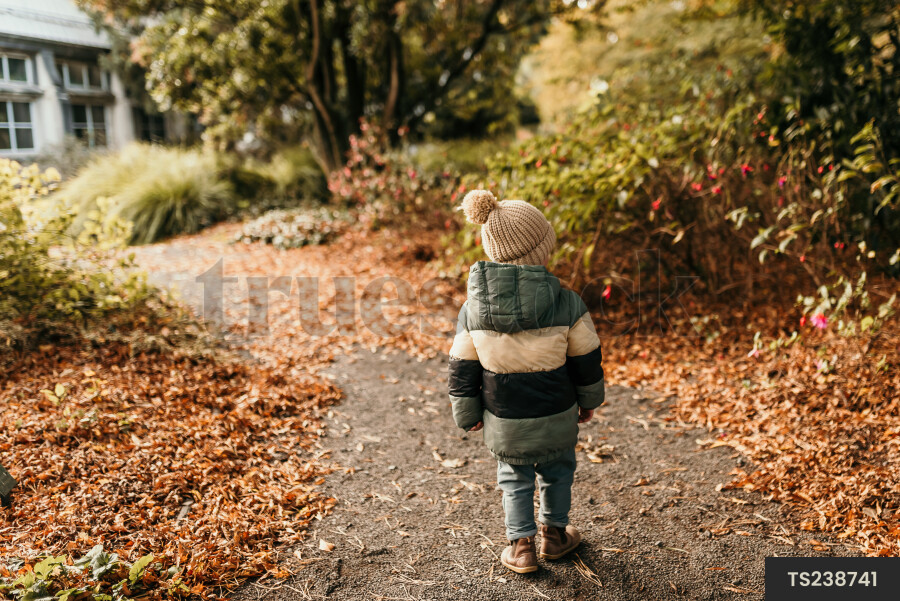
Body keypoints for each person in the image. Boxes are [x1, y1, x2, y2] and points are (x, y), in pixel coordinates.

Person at [447, 189, 606, 574]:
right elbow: (586, 358)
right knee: (558, 470)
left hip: (504, 417)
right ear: (542, 248)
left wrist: (467, 413)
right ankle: (554, 535)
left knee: (513, 477)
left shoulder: (473, 310)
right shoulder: (567, 302)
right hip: (557, 411)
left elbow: (462, 366)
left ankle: (521, 547)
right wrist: (589, 400)